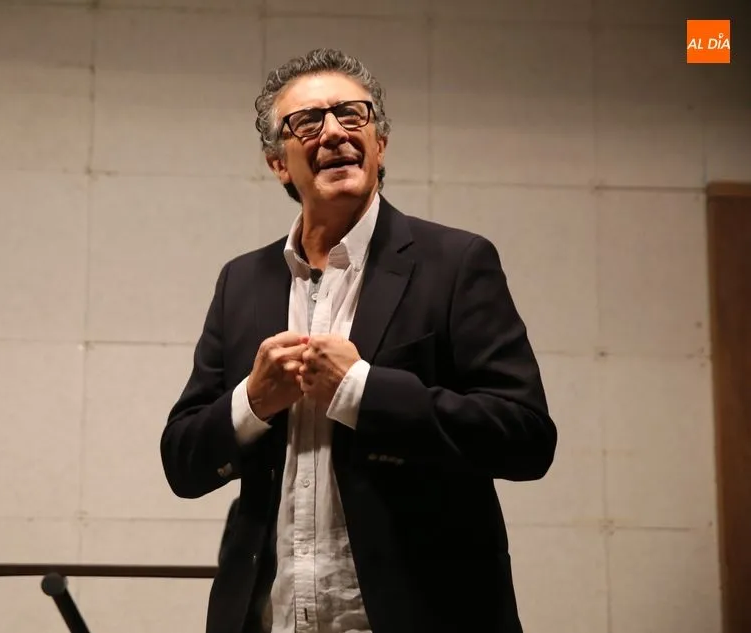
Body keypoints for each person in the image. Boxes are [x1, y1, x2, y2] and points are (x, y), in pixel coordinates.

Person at [161, 48, 557, 633]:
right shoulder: (241, 281)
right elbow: (182, 463)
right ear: (278, 163)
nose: (334, 132)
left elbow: (525, 438)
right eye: (307, 122)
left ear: (380, 144)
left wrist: (362, 391)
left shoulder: (456, 262)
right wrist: (252, 402)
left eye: (352, 115)